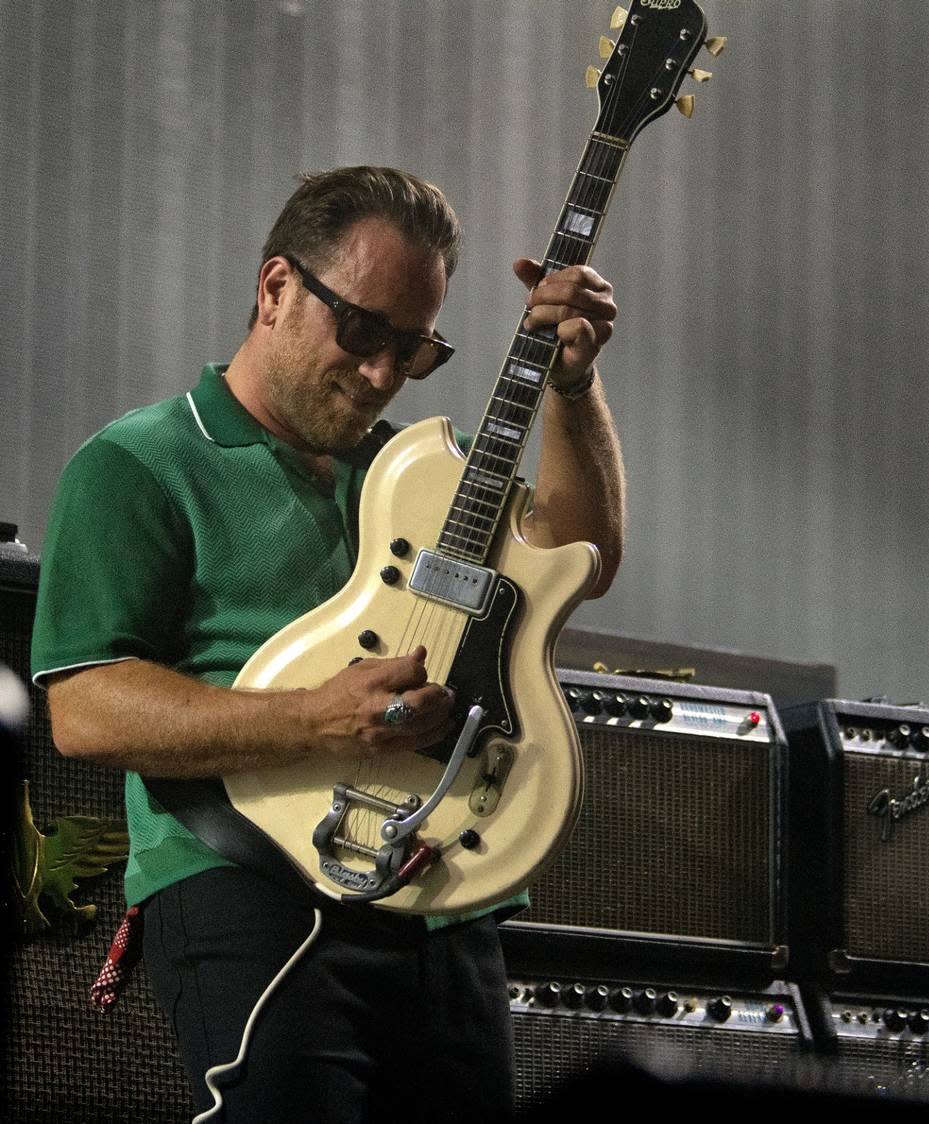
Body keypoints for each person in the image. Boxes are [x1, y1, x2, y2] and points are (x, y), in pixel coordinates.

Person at [30, 166, 625, 1122]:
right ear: (275, 290)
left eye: (414, 349)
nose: (384, 373)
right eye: (362, 332)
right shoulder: (139, 465)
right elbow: (84, 710)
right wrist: (320, 718)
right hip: (253, 890)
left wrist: (575, 385)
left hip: (447, 899)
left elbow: (578, 558)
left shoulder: (417, 473)